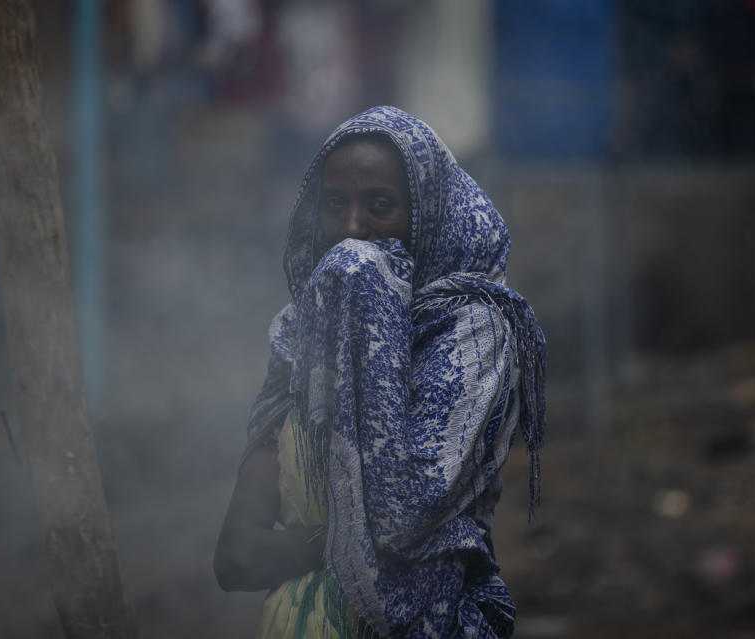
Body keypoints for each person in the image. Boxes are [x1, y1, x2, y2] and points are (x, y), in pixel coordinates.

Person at [214, 106, 546, 639]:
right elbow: (235, 556)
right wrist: (349, 544)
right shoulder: (298, 341)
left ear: (426, 215)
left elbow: (402, 515)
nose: (351, 230)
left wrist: (368, 297)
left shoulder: (470, 334)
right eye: (334, 204)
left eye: (380, 205)